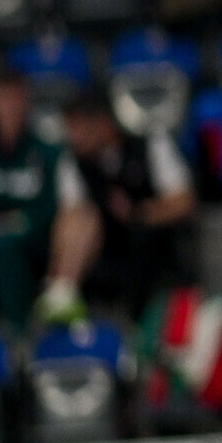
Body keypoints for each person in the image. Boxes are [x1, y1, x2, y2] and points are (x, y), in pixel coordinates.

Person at [0, 70, 95, 330]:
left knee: (4, 244)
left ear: (26, 101)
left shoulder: (49, 150)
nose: (10, 107)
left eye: (16, 98)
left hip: (37, 239)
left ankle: (19, 334)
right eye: (2, 98)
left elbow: (57, 209)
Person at [61, 87, 197, 318]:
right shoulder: (73, 162)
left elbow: (185, 202)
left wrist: (139, 213)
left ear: (103, 123)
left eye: (80, 129)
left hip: (155, 248)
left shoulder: (151, 145)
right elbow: (69, 217)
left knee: (143, 238)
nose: (75, 138)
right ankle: (62, 295)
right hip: (103, 251)